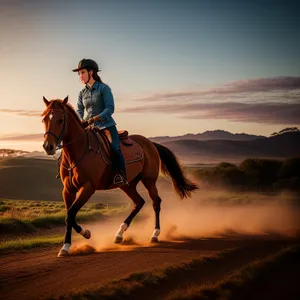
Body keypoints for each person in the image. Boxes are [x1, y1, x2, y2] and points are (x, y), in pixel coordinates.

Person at [72, 58, 128, 186]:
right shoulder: (82, 93)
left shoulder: (104, 88)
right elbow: (79, 110)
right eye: (79, 74)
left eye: (82, 73)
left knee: (114, 149)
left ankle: (121, 175)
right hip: (89, 128)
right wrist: (80, 121)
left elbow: (110, 108)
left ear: (91, 72)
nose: (80, 76)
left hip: (106, 126)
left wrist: (95, 119)